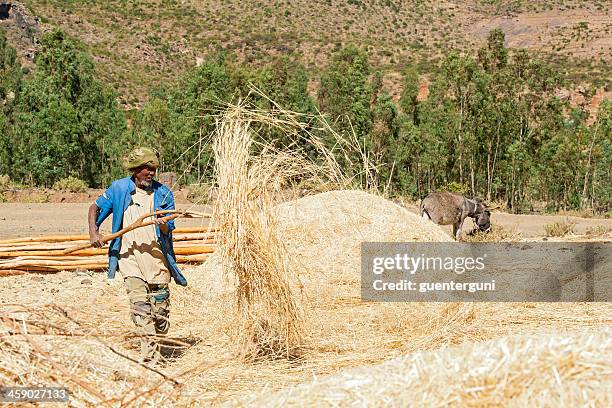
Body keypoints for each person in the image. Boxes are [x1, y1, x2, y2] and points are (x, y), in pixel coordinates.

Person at [88, 147, 187, 363]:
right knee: (141, 308)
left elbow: (169, 227)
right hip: (129, 258)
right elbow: (94, 207)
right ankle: (149, 359)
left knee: (160, 315)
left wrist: (162, 225)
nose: (150, 173)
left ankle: (156, 344)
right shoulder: (119, 189)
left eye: (152, 169)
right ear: (135, 170)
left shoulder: (164, 194)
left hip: (157, 261)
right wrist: (94, 232)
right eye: (145, 169)